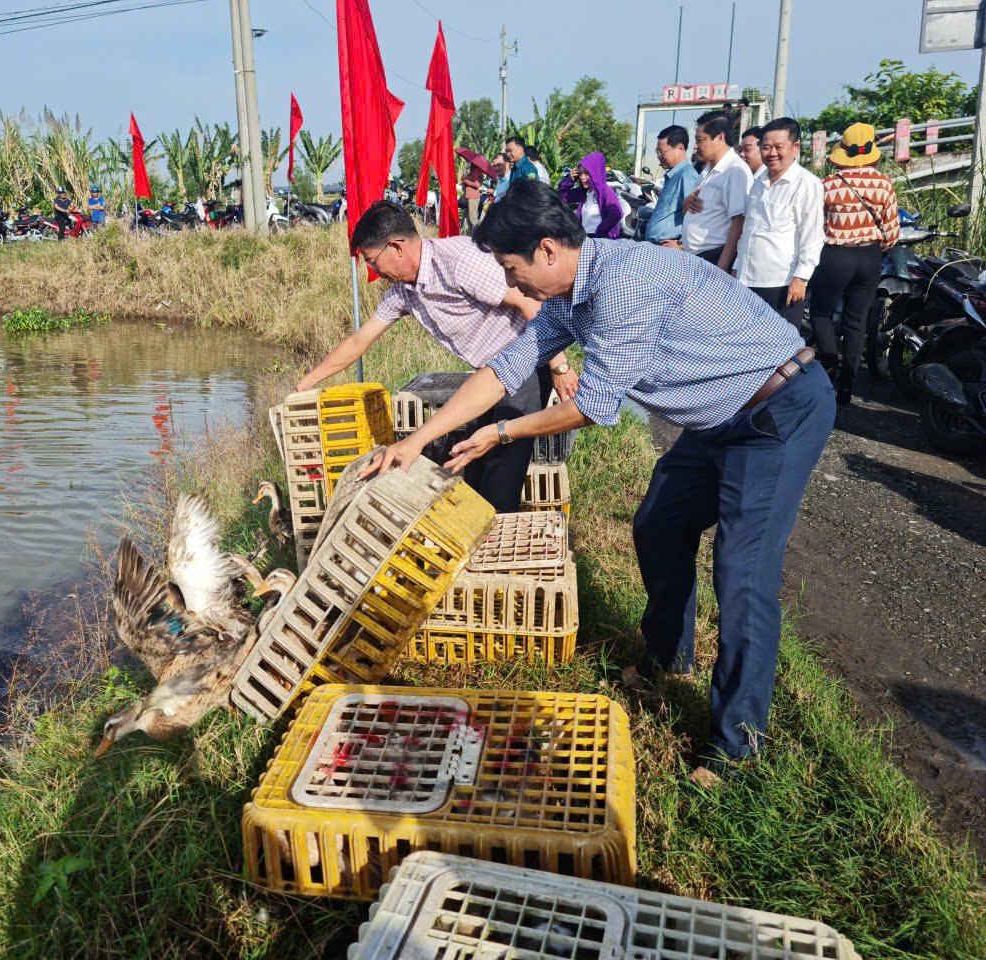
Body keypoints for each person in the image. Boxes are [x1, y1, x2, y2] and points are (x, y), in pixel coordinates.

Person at [365, 178, 835, 788]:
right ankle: (669, 655)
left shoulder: (622, 285)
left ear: (548, 251)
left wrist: (503, 435)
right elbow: (503, 367)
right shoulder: (569, 291)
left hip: (776, 409)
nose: (511, 286)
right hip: (719, 415)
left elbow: (592, 404)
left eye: (512, 269)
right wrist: (416, 440)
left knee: (742, 576)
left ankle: (736, 747)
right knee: (658, 525)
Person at [295, 200, 577, 512]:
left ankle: (496, 546)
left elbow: (529, 305)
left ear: (397, 247)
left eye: (373, 262)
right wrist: (307, 383)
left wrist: (559, 365)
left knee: (502, 474)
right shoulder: (404, 291)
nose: (373, 271)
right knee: (471, 466)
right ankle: (477, 537)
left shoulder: (457, 259)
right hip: (487, 376)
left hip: (524, 369)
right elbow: (360, 340)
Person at [808, 122, 900, 405]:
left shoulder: (829, 185)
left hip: (836, 255)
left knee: (821, 314)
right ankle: (846, 387)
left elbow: (818, 226)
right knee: (856, 323)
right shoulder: (884, 184)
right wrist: (874, 249)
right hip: (869, 256)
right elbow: (892, 233)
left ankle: (829, 363)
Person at [733, 117, 824, 329]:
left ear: (796, 147)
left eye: (778, 147)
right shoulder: (759, 181)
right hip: (747, 280)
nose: (772, 153)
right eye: (766, 147)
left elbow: (812, 235)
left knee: (781, 349)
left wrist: (801, 278)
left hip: (781, 282)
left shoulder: (807, 184)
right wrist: (737, 268)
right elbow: (749, 230)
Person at [682, 113, 753, 268]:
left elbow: (739, 222)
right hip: (694, 257)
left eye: (700, 140)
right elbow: (691, 212)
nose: (695, 146)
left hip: (714, 258)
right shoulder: (705, 171)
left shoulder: (735, 170)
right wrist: (686, 203)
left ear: (720, 137)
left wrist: (721, 267)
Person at [646, 125, 700, 246]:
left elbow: (695, 217)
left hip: (668, 247)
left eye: (661, 152)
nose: (658, 156)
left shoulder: (686, 176)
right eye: (657, 152)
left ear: (680, 148)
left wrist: (681, 244)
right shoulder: (673, 176)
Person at [556, 152, 622, 239]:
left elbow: (617, 214)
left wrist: (600, 232)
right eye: (580, 173)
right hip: (585, 239)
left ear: (595, 173)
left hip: (601, 242)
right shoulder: (584, 192)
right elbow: (562, 197)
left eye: (587, 173)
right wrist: (570, 181)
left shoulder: (606, 191)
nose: (582, 177)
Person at [461, 160, 486, 231]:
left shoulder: (477, 171)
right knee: (468, 218)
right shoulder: (471, 171)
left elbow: (477, 185)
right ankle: (469, 236)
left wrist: (466, 181)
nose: (467, 163)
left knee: (473, 219)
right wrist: (464, 178)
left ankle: (474, 236)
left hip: (473, 198)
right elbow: (468, 181)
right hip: (468, 197)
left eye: (468, 162)